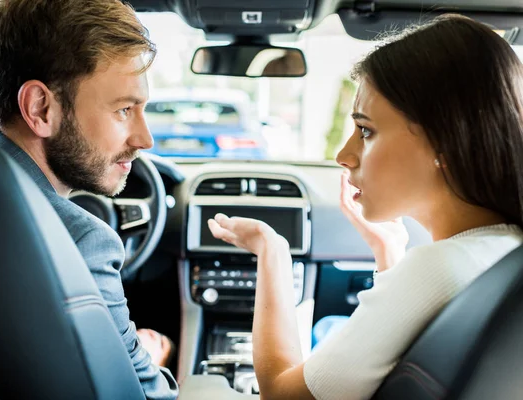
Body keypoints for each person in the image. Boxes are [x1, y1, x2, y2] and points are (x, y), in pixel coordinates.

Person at [208, 14, 523, 400]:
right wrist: (388, 254)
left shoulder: (436, 268)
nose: (344, 155)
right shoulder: (502, 250)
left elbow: (279, 394)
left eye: (366, 131)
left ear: (445, 141)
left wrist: (271, 252)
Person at [0, 1, 178, 399]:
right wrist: (149, 363)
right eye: (124, 110)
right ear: (40, 108)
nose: (144, 140)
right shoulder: (82, 240)